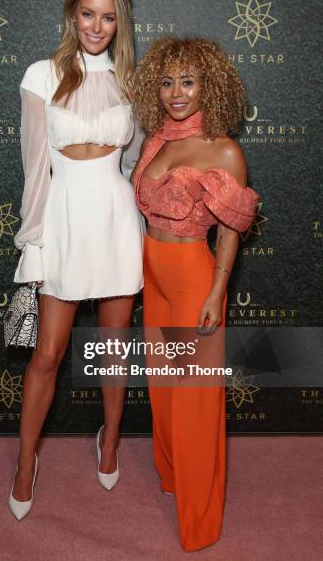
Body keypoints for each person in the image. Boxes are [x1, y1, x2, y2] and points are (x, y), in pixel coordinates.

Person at [8, 0, 145, 521]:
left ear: (121, 22)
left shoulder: (134, 80)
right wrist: (33, 241)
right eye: (88, 14)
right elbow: (35, 165)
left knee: (114, 349)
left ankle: (108, 440)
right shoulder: (42, 74)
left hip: (115, 218)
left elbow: (137, 164)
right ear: (72, 14)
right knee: (48, 355)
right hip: (63, 217)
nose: (97, 26)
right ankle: (24, 463)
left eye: (108, 17)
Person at [132, 36, 259, 552]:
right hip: (151, 273)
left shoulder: (223, 149)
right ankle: (172, 477)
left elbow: (230, 230)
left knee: (196, 401)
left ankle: (200, 521)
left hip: (192, 277)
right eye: (166, 82)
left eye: (188, 81)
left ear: (209, 84)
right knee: (163, 393)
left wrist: (217, 289)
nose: (176, 93)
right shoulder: (155, 140)